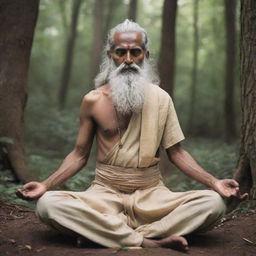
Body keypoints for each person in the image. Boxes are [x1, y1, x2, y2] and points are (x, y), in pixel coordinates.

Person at [16, 20, 247, 251]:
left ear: (145, 55)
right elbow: (78, 155)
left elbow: (177, 153)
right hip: (104, 195)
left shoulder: (161, 99)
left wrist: (214, 182)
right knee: (48, 205)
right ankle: (146, 240)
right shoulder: (93, 100)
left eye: (135, 52)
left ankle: (105, 233)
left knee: (213, 204)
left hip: (152, 195)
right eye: (121, 52)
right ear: (110, 55)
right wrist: (45, 185)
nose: (128, 59)